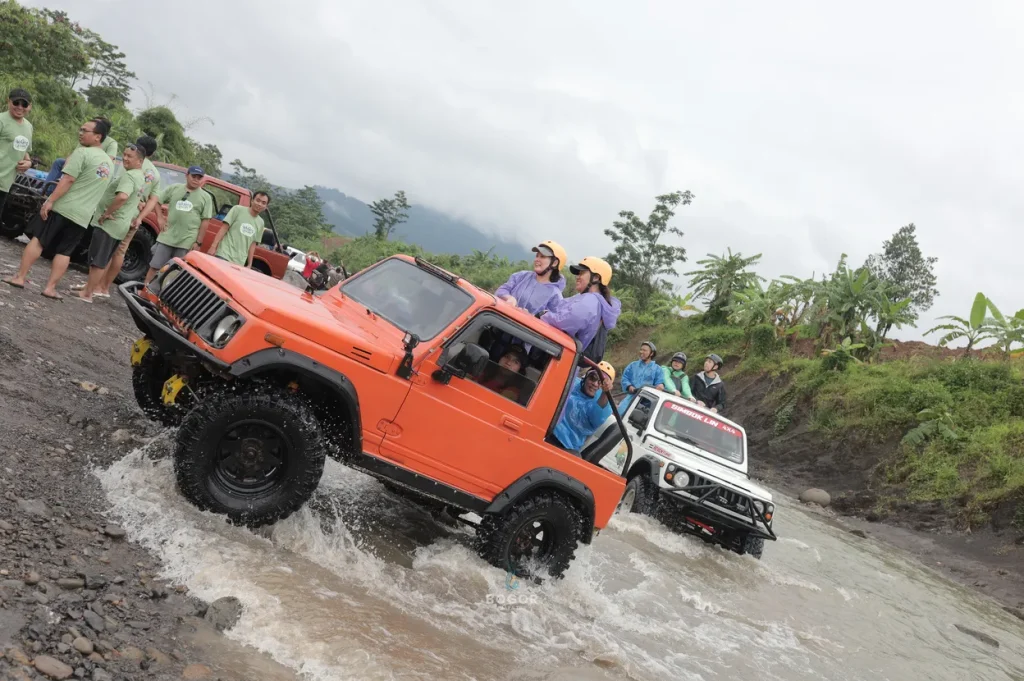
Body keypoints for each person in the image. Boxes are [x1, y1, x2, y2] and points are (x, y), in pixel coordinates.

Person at [4, 118, 113, 300]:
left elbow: (68, 180)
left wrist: (49, 201)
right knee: (65, 251)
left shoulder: (82, 153)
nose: (80, 132)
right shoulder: (108, 164)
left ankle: (20, 277)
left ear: (97, 137)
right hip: (82, 216)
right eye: (80, 129)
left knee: (38, 240)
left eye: (85, 131)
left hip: (63, 207)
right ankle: (50, 288)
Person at [74, 135, 161, 298]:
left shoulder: (131, 167)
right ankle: (103, 288)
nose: (126, 158)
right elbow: (153, 199)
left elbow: (122, 193)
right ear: (153, 152)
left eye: (129, 155)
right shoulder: (153, 173)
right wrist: (140, 216)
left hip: (117, 214)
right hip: (132, 215)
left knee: (104, 253)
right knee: (119, 252)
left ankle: (91, 288)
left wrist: (107, 211)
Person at [136, 165, 213, 283]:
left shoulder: (206, 197)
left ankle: (162, 298)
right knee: (155, 266)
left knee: (175, 272)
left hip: (186, 241)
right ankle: (145, 292)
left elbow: (205, 221)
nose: (196, 179)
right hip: (167, 236)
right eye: (193, 176)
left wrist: (198, 242)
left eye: (199, 177)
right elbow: (157, 201)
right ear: (187, 176)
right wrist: (160, 218)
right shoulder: (174, 188)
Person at [539, 256, 621, 354]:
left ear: (595, 278)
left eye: (582, 273)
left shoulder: (591, 301)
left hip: (558, 354)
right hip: (560, 354)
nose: (577, 277)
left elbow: (564, 322)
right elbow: (559, 308)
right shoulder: (588, 299)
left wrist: (543, 315)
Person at [551, 361, 616, 455]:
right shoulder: (572, 382)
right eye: (592, 378)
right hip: (547, 430)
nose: (595, 384)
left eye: (601, 382)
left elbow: (597, 417)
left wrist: (605, 393)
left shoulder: (602, 402)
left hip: (566, 447)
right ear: (586, 377)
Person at [495, 240, 566, 315]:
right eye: (537, 256)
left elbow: (551, 321)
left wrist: (530, 318)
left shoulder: (555, 296)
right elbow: (502, 290)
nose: (537, 260)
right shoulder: (521, 276)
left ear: (554, 263)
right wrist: (508, 297)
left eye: (542, 256)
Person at [208, 191, 270, 267]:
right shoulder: (237, 209)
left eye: (263, 203)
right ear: (252, 200)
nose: (259, 204)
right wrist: (213, 246)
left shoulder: (261, 223)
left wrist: (250, 263)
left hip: (239, 262)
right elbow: (223, 229)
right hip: (224, 254)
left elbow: (253, 244)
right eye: (258, 200)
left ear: (266, 207)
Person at [0, 88, 33, 220]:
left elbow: (24, 150)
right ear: (8, 102)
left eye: (24, 104)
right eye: (16, 103)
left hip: (6, 184)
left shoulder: (28, 127)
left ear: (29, 106)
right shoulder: (1, 120)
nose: (20, 107)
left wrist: (28, 162)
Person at [619, 341, 664, 410]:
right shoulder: (633, 365)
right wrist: (629, 386)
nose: (641, 352)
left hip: (647, 403)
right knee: (620, 411)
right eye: (641, 349)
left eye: (645, 350)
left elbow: (659, 383)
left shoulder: (657, 369)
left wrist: (660, 386)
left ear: (651, 353)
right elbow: (625, 378)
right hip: (631, 398)